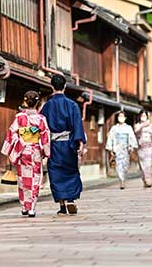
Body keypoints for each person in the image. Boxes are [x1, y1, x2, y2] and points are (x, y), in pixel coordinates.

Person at [40, 74, 87, 215]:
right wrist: (80, 142)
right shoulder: (72, 105)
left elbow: (42, 127)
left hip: (54, 145)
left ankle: (61, 205)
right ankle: (71, 199)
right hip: (69, 144)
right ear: (65, 87)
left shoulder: (47, 106)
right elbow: (77, 124)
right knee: (71, 171)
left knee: (55, 172)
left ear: (52, 87)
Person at [1, 91, 50, 218]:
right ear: (38, 102)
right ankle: (32, 207)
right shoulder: (41, 119)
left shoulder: (19, 117)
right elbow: (45, 137)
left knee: (23, 179)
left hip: (22, 151)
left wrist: (13, 147)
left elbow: (12, 133)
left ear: (25, 101)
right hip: (36, 152)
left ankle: (24, 206)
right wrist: (47, 152)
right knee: (35, 179)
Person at [106, 111, 138, 189]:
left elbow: (131, 137)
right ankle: (121, 181)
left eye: (122, 116)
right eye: (119, 116)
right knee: (118, 165)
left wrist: (132, 146)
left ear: (125, 118)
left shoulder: (128, 128)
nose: (121, 118)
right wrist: (110, 149)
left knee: (125, 165)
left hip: (126, 148)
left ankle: (123, 177)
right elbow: (110, 138)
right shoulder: (114, 128)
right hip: (117, 148)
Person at [134, 110, 152, 187]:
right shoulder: (137, 125)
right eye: (142, 115)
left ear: (147, 117)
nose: (143, 117)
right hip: (140, 147)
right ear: (139, 117)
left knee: (148, 164)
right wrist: (143, 125)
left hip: (149, 146)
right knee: (142, 164)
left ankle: (148, 179)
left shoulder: (150, 126)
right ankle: (144, 179)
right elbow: (136, 132)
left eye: (145, 116)